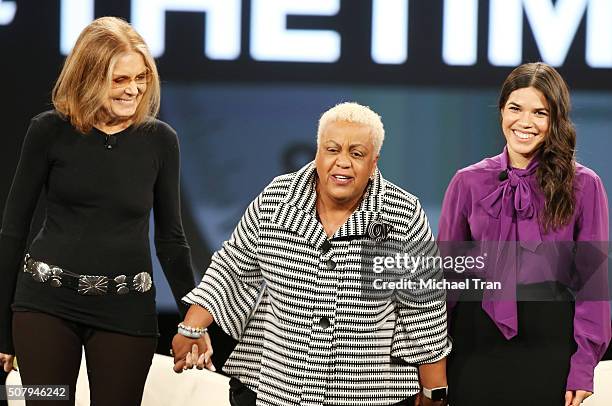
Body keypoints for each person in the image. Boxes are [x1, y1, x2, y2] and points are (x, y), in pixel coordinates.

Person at [171, 102, 452, 406]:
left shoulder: (403, 213)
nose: (342, 162)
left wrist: (433, 392)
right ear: (317, 152)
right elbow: (232, 267)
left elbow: (423, 309)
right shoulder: (277, 197)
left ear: (373, 163)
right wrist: (192, 326)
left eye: (356, 154)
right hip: (275, 385)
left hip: (369, 392)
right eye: (332, 150)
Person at [0, 16, 195, 405]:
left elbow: (171, 239)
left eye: (140, 78)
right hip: (43, 306)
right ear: (89, 77)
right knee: (44, 400)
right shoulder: (48, 131)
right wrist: (1, 332)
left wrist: (192, 322)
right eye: (120, 80)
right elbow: (12, 231)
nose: (133, 89)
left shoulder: (160, 141)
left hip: (126, 312)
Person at [438, 62, 611, 406]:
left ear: (555, 119)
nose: (525, 122)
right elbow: (446, 280)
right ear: (502, 109)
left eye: (540, 112)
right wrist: (432, 364)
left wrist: (582, 367)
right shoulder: (467, 181)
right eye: (516, 108)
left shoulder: (584, 185)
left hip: (550, 345)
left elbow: (595, 287)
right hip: (473, 342)